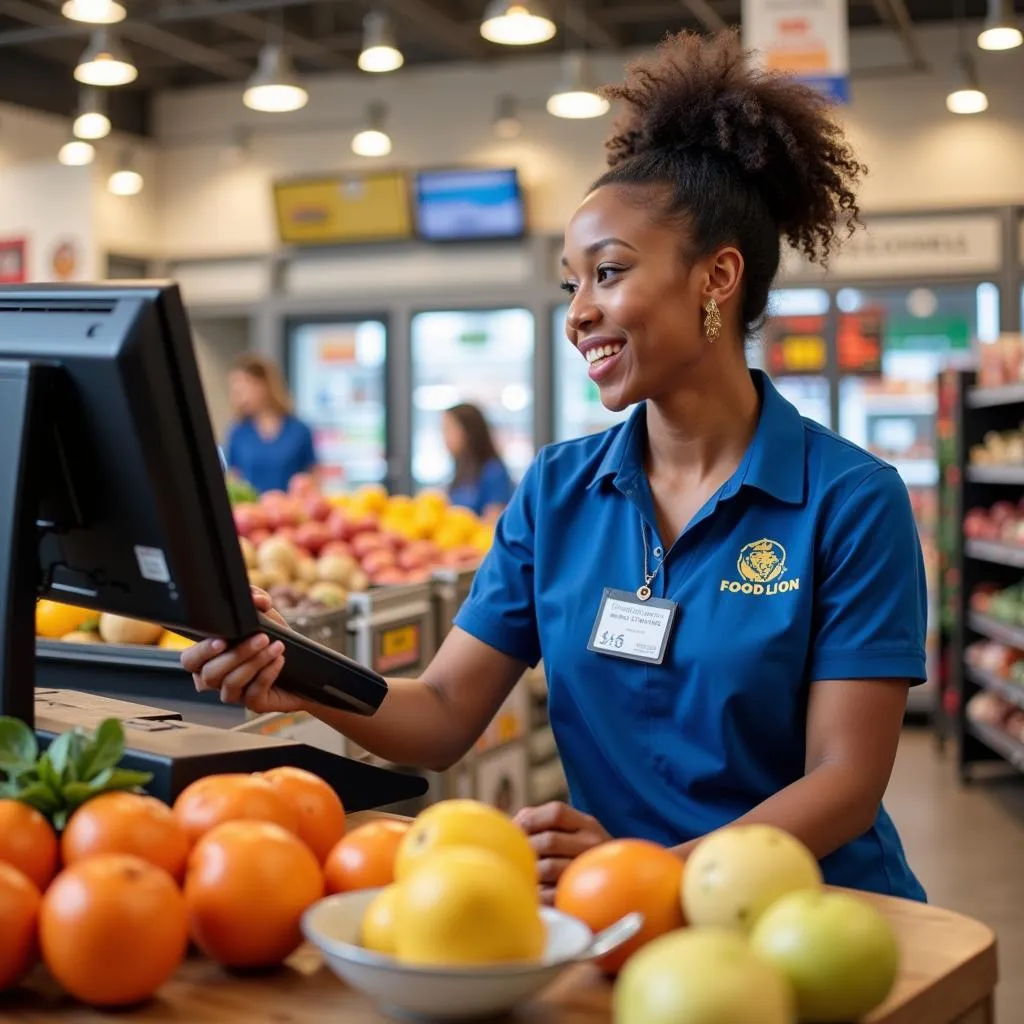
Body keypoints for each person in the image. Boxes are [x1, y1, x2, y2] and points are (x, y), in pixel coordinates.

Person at [184, 30, 927, 905]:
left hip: (810, 917)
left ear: (716, 278)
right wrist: (294, 667)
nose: (578, 315)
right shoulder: (558, 492)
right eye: (568, 284)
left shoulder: (848, 502)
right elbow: (443, 714)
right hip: (616, 919)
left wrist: (652, 872)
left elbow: (844, 780)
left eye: (607, 274)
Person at [224, 354, 317, 495]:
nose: (237, 397)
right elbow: (232, 480)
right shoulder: (238, 432)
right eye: (235, 391)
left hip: (291, 513)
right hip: (252, 513)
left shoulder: (299, 431)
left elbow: (314, 478)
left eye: (242, 389)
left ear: (263, 385)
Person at [442, 403, 515, 521]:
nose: (444, 437)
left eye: (449, 429)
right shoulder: (462, 470)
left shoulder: (493, 471)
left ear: (468, 432)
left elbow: (493, 520)